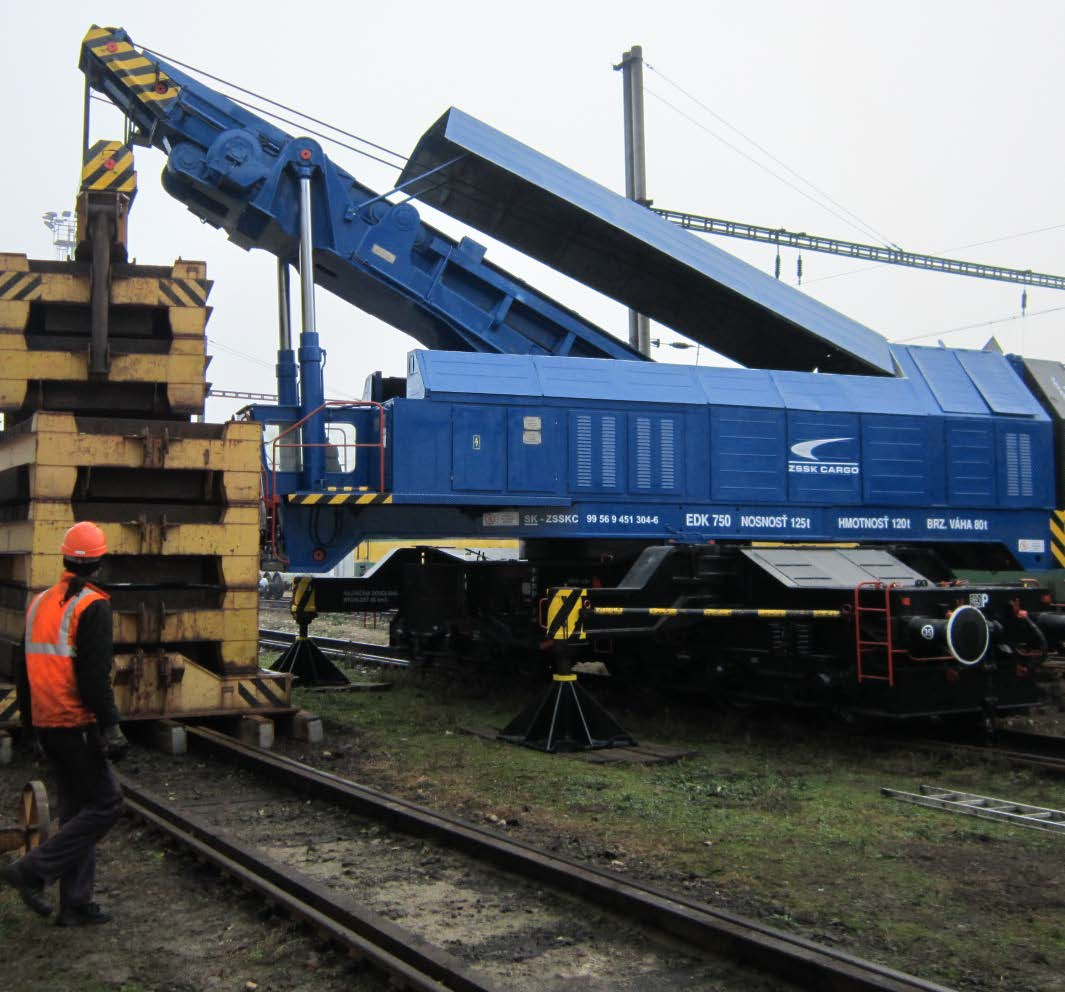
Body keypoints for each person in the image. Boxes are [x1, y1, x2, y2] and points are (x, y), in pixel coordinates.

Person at [0, 521, 128, 926]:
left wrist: (33, 727)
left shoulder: (40, 603)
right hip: (76, 725)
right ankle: (33, 869)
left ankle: (74, 903)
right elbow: (94, 678)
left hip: (48, 724)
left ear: (65, 558)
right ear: (100, 563)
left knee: (76, 812)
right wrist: (111, 727)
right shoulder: (92, 606)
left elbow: (22, 670)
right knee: (107, 803)